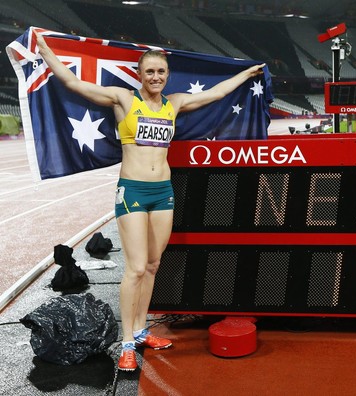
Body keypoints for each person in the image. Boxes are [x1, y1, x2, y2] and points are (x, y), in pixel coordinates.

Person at [34, 31, 265, 371]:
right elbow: (73, 84)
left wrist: (245, 75)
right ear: (139, 75)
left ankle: (141, 331)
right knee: (136, 268)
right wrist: (44, 51)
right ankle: (127, 342)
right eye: (150, 72)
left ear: (166, 76)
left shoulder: (175, 103)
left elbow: (216, 94)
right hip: (133, 191)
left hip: (163, 192)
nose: (156, 77)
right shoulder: (124, 100)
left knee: (154, 265)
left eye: (161, 72)